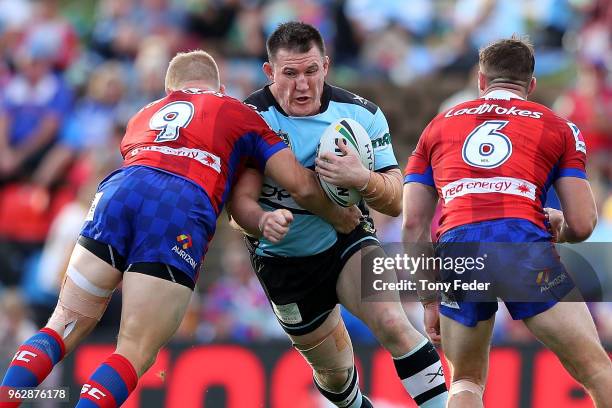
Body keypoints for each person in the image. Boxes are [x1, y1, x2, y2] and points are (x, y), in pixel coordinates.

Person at [0, 49, 361, 408]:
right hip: (178, 200)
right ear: (218, 86)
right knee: (134, 349)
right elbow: (298, 183)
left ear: (169, 89)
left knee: (62, 324)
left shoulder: (142, 115)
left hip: (119, 189)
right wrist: (338, 215)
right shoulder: (237, 111)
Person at [228, 22, 448, 408]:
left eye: (311, 71)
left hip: (348, 239)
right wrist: (262, 221)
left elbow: (396, 201)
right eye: (290, 73)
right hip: (283, 264)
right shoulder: (250, 118)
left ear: (326, 66)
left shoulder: (360, 113)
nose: (302, 85)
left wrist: (361, 177)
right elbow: (236, 211)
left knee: (396, 325)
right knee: (335, 373)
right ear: (269, 72)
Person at [403, 36, 612, 407]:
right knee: (596, 369)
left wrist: (429, 298)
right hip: (520, 243)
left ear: (481, 81)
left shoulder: (436, 127)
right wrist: (558, 225)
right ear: (530, 85)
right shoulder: (558, 126)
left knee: (465, 381)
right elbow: (582, 224)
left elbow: (412, 225)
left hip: (459, 247)